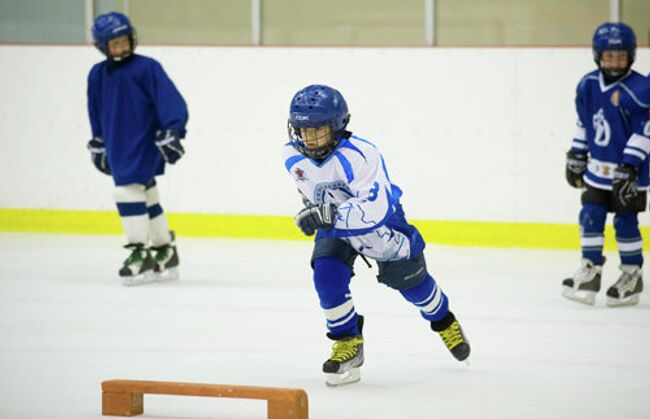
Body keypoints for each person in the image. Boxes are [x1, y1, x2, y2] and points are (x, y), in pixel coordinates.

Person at [283, 84, 470, 386]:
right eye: (304, 130)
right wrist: (318, 214)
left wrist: (328, 215)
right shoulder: (291, 156)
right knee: (326, 274)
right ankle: (348, 342)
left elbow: (374, 210)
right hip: (336, 227)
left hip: (381, 229)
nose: (310, 138)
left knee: (415, 288)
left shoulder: (362, 154)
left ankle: (444, 319)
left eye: (319, 130)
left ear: (338, 126)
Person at [86, 12, 189, 285]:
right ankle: (164, 249)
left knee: (126, 190)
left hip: (145, 141)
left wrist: (173, 131)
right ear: (102, 47)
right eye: (114, 44)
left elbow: (170, 100)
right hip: (117, 142)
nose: (121, 47)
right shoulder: (97, 75)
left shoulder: (147, 67)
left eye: (124, 41)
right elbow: (95, 111)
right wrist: (98, 141)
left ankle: (139, 252)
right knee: (147, 194)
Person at [562, 22, 650, 306]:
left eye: (620, 56)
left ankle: (631, 275)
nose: (614, 62)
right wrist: (576, 154)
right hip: (597, 172)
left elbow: (645, 129)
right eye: (608, 56)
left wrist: (630, 165)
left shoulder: (640, 89)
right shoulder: (588, 85)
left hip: (630, 175)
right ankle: (590, 271)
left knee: (625, 223)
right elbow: (584, 123)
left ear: (632, 55)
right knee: (590, 216)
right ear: (597, 55)